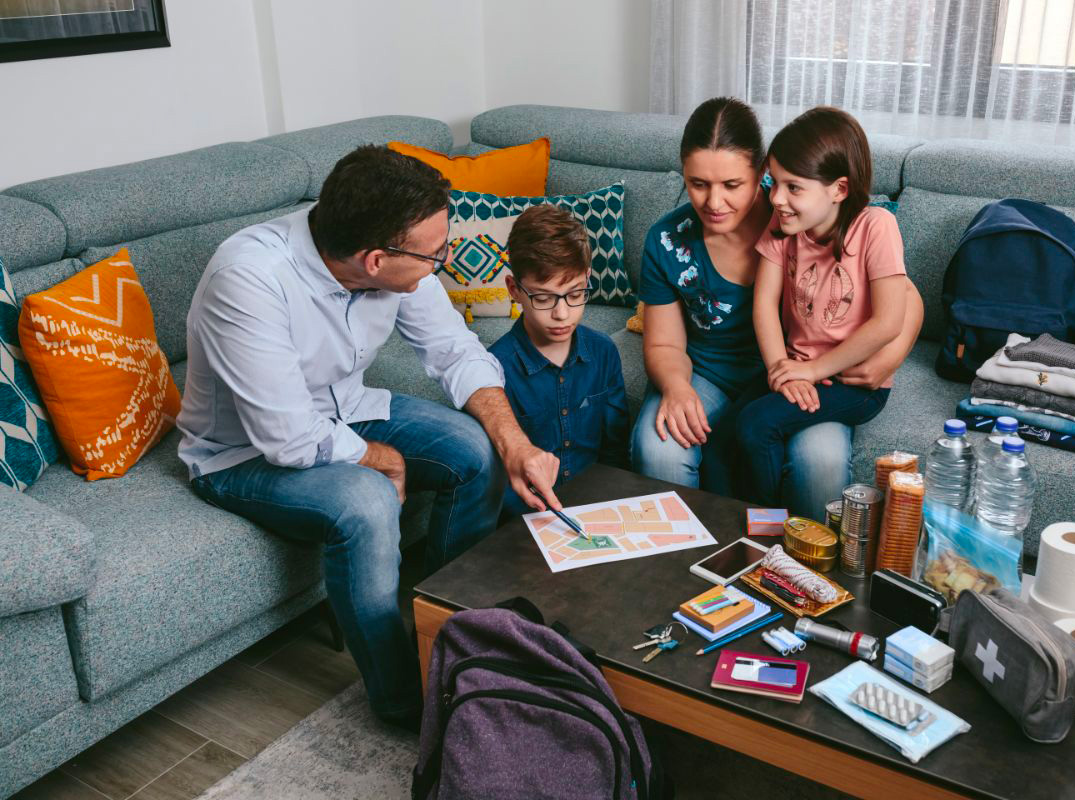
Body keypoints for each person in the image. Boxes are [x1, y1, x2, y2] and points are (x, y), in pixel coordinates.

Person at [176, 145, 562, 728]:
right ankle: (405, 703)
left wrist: (515, 443)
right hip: (241, 455)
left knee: (475, 449)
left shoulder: (391, 255)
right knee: (368, 500)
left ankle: (454, 637)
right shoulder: (250, 279)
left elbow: (455, 351)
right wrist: (379, 458)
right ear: (377, 260)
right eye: (438, 253)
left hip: (346, 410)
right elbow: (287, 437)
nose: (446, 260)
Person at [632, 97, 923, 518]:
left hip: (813, 372)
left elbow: (901, 299)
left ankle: (800, 566)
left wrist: (889, 356)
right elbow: (665, 344)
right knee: (661, 448)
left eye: (732, 185)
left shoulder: (794, 208)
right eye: (698, 183)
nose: (714, 202)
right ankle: (698, 557)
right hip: (720, 372)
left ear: (760, 173)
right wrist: (678, 389)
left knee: (817, 460)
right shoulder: (669, 240)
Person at [736, 106, 908, 506]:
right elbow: (763, 304)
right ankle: (730, 524)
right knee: (728, 424)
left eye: (793, 187)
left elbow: (888, 322)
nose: (776, 198)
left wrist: (811, 370)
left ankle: (767, 534)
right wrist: (783, 370)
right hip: (796, 366)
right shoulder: (782, 227)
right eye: (773, 183)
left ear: (839, 189)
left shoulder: (876, 227)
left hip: (853, 382)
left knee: (756, 424)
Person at [489, 205, 630, 519]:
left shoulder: (603, 351)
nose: (562, 313)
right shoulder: (494, 368)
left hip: (597, 508)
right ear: (514, 289)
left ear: (588, 278)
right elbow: (495, 480)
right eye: (543, 298)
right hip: (526, 517)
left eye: (575, 293)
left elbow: (614, 449)